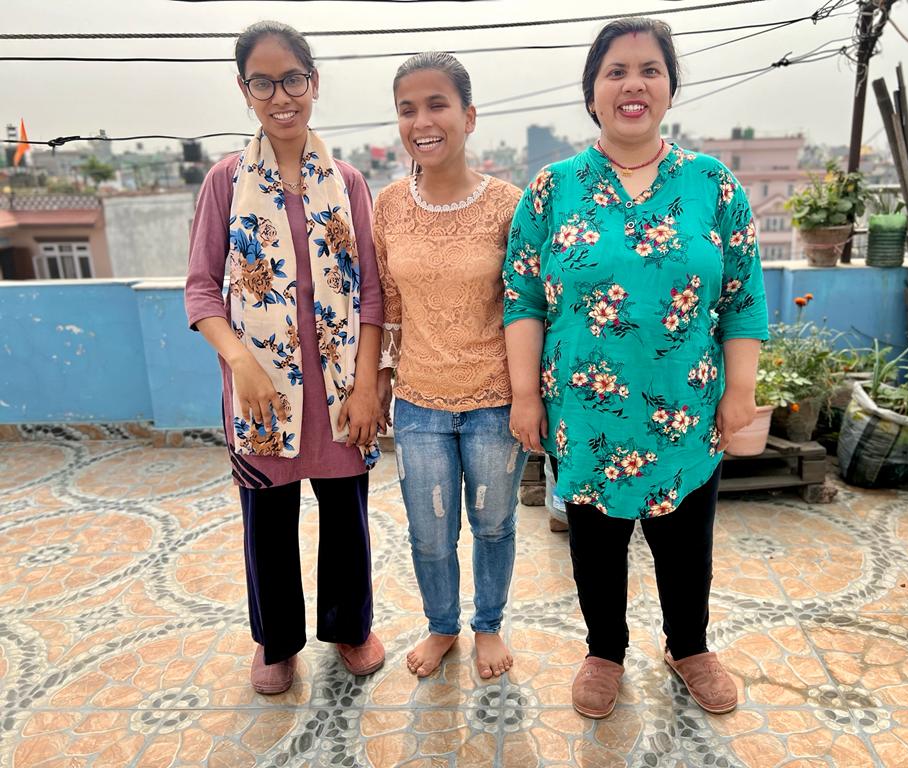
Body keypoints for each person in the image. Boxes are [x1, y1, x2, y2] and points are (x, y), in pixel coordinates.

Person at [503, 17, 768, 719]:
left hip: (687, 407)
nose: (632, 84)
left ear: (670, 88)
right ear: (592, 92)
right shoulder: (552, 189)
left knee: (687, 542)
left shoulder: (713, 184)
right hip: (586, 416)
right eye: (615, 70)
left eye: (649, 69)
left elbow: (743, 296)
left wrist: (740, 390)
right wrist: (525, 397)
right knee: (595, 544)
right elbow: (522, 296)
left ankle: (689, 646)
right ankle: (604, 651)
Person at [185, 21, 387, 695]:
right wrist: (239, 360)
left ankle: (350, 627)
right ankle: (276, 642)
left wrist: (365, 388)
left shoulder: (348, 181)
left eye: (293, 78)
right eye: (263, 82)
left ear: (313, 83)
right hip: (262, 395)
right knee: (268, 525)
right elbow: (201, 288)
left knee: (345, 518)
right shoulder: (225, 182)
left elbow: (371, 295)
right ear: (244, 90)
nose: (281, 96)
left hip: (337, 392)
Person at [374, 52, 530, 680]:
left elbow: (528, 306)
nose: (422, 121)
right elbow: (384, 306)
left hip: (495, 401)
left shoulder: (511, 205)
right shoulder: (387, 206)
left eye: (437, 105)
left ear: (468, 116)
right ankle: (442, 626)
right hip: (418, 405)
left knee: (493, 524)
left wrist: (528, 397)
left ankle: (488, 625)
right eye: (407, 109)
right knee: (429, 534)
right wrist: (376, 387)